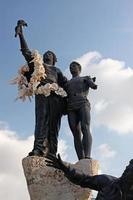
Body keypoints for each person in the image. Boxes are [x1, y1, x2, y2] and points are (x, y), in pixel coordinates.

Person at [15, 20, 67, 157]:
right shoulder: (38, 66)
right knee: (41, 122)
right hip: (42, 95)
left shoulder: (57, 70)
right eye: (46, 53)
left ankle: (52, 152)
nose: (47, 54)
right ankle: (38, 148)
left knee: (54, 125)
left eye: (50, 54)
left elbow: (66, 85)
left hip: (56, 97)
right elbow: (26, 53)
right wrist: (21, 34)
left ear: (54, 59)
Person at [45, 154, 133, 200]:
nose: (126, 173)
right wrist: (66, 168)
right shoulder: (108, 182)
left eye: (130, 171)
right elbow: (84, 179)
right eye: (126, 170)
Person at [65, 61, 97, 160]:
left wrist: (91, 83)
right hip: (71, 107)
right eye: (70, 66)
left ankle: (87, 155)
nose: (72, 67)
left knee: (85, 127)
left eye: (74, 66)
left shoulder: (85, 78)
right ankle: (81, 158)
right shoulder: (67, 83)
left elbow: (93, 85)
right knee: (75, 132)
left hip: (82, 103)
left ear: (79, 68)